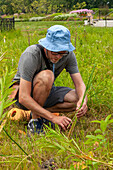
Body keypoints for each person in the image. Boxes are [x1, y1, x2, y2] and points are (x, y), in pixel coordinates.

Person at [12, 25, 88, 134]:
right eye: (54, 52)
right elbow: (23, 97)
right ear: (46, 47)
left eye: (62, 52)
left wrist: (83, 100)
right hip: (23, 95)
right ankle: (35, 121)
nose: (58, 57)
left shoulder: (68, 55)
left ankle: (37, 114)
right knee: (47, 76)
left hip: (45, 92)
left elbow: (80, 84)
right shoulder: (31, 54)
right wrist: (53, 118)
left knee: (76, 99)